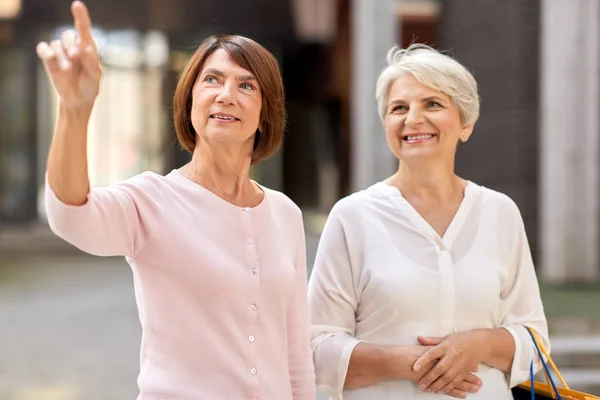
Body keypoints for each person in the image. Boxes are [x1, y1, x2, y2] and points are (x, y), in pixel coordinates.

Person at [36, 1, 316, 399]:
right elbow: (70, 216)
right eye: (212, 80)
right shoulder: (153, 201)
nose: (226, 95)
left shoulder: (285, 214)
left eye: (247, 85)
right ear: (189, 102)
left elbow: (296, 356)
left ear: (265, 113)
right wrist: (75, 110)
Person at [307, 43, 549, 399]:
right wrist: (407, 362)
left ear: (465, 124)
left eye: (432, 104)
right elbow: (315, 345)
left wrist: (479, 345)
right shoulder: (352, 216)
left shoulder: (501, 213)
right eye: (399, 108)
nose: (413, 119)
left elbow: (535, 340)